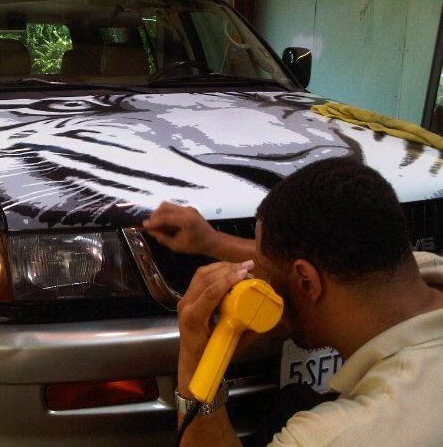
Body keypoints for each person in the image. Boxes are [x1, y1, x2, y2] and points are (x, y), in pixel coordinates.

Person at [143, 157, 443, 446]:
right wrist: (211, 242)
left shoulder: (335, 436)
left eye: (266, 268)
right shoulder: (419, 267)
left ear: (306, 283)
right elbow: (317, 253)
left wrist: (195, 368)